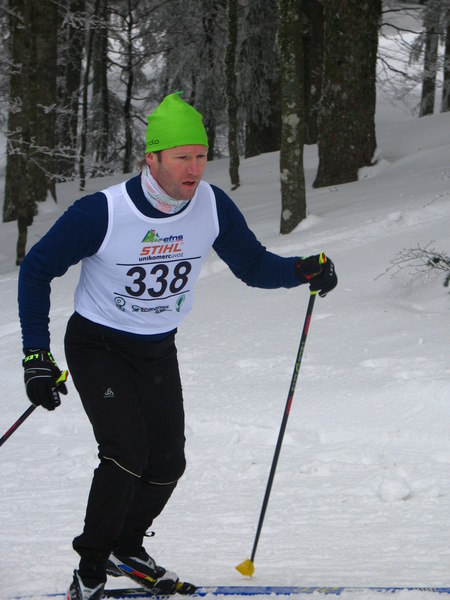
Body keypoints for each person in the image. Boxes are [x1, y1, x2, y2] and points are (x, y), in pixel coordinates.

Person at [18, 92, 337, 600]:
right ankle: (91, 566)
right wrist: (36, 356)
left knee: (167, 464)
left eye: (201, 156)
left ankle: (125, 547)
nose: (194, 168)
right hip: (99, 346)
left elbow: (253, 265)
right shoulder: (103, 212)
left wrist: (301, 270)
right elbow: (36, 271)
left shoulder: (211, 205)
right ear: (153, 158)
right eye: (182, 156)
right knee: (126, 452)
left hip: (156, 348)